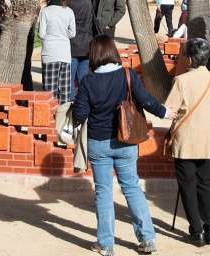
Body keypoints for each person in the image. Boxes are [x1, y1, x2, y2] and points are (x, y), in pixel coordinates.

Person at [73, 35, 174, 256]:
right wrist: (165, 112)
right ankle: (147, 239)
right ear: (112, 52)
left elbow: (80, 115)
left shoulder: (88, 81)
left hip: (98, 144)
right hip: (127, 141)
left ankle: (106, 244)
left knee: (103, 192)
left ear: (95, 55)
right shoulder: (127, 74)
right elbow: (145, 99)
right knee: (131, 188)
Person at [164, 38, 210, 247]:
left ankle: (196, 231)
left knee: (187, 186)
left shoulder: (181, 81)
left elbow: (169, 111)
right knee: (204, 184)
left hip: (186, 140)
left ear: (189, 58)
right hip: (206, 138)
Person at [38, 0, 76, 104]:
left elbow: (41, 34)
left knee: (50, 92)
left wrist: (51, 36)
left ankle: (51, 119)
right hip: (64, 52)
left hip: (50, 53)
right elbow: (72, 33)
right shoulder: (69, 11)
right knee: (64, 91)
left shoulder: (45, 11)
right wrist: (63, 36)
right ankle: (63, 120)